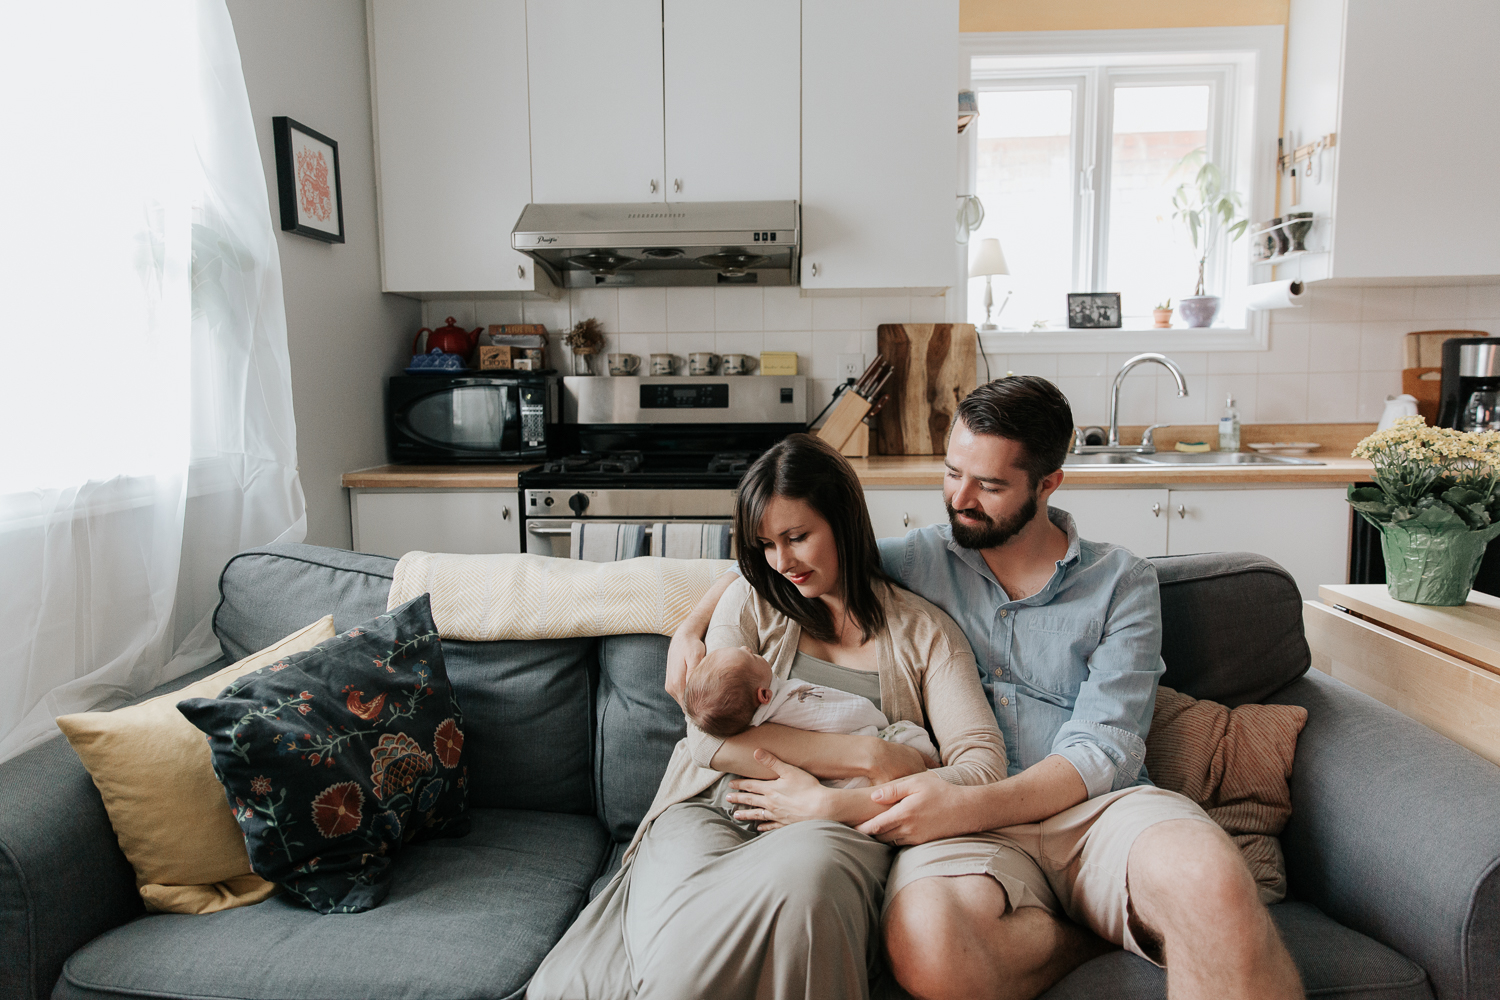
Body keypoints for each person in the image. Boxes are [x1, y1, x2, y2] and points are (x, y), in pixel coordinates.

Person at [667, 377, 1305, 1000]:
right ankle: (1094, 936)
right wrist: (692, 628)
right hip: (963, 837)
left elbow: (1104, 749)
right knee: (930, 948)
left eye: (989, 484)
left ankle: (1136, 912)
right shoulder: (920, 556)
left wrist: (963, 803)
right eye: (951, 473)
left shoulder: (1122, 583)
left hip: (1093, 811)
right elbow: (784, 553)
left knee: (1211, 881)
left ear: (1048, 484)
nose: (960, 498)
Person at [527, 433, 1006, 1000]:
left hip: (835, 827)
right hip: (712, 810)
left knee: (808, 882)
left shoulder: (926, 634)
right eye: (767, 545)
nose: (783, 563)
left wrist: (836, 801)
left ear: (844, 521)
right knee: (676, 963)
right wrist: (875, 756)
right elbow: (707, 742)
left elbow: (982, 770)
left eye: (798, 537)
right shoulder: (753, 598)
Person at [683, 644, 940, 789]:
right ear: (764, 696)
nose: (745, 645)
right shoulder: (784, 702)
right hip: (849, 767)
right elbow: (842, 715)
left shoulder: (746, 712)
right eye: (749, 655)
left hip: (849, 776)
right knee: (910, 736)